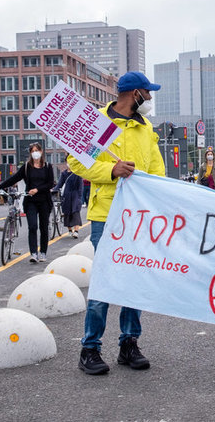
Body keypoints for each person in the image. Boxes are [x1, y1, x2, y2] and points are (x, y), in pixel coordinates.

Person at [72, 71, 164, 376]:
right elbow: (76, 162)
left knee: (133, 280)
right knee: (106, 280)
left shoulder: (145, 127)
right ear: (135, 94)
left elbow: (156, 171)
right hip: (107, 215)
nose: (150, 98)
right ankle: (90, 348)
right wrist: (112, 169)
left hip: (137, 217)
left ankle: (129, 343)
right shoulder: (98, 122)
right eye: (147, 93)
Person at [0, 143, 55, 263]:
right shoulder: (27, 167)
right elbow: (14, 178)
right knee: (32, 227)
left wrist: (37, 189)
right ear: (30, 153)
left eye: (37, 150)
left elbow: (50, 183)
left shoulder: (47, 166)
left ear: (41, 152)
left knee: (43, 228)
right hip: (30, 201)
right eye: (33, 151)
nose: (35, 152)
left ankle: (42, 252)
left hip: (44, 201)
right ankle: (33, 253)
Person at [54, 167, 83, 238]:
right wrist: (54, 189)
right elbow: (60, 184)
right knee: (67, 212)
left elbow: (80, 186)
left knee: (76, 212)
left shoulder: (78, 172)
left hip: (75, 195)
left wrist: (79, 197)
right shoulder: (64, 173)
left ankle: (76, 231)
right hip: (66, 195)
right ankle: (70, 230)